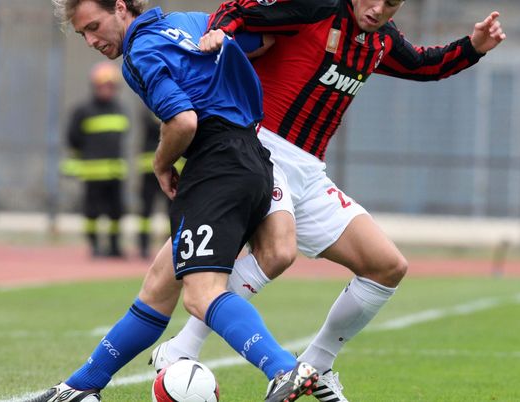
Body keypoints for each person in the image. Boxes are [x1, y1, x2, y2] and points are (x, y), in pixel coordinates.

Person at [150, 1, 507, 401]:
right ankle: (182, 347)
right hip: (261, 148)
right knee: (277, 253)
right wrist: (218, 30)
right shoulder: (312, 7)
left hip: (309, 171)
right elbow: (240, 8)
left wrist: (473, 46)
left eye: (391, 4)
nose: (378, 9)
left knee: (387, 266)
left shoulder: (381, 40)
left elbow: (425, 65)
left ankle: (317, 365)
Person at [25, 1, 318, 401]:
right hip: (253, 157)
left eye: (94, 26)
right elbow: (263, 40)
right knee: (161, 283)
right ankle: (81, 387)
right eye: (83, 35)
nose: (92, 40)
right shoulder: (193, 22)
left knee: (201, 295)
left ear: (122, 8)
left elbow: (183, 121)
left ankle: (283, 368)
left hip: (216, 166)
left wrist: (161, 164)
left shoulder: (141, 52)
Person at [63, 61, 129, 258]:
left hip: (115, 172)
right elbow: (73, 138)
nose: (107, 90)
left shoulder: (120, 108)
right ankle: (94, 246)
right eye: (103, 86)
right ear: (95, 86)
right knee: (92, 212)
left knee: (116, 212)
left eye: (111, 86)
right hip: (93, 172)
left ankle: (114, 246)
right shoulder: (83, 110)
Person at [135, 109, 172, 260]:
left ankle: (171, 247)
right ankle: (143, 246)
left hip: (171, 168)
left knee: (172, 211)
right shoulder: (152, 106)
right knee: (146, 210)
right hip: (150, 169)